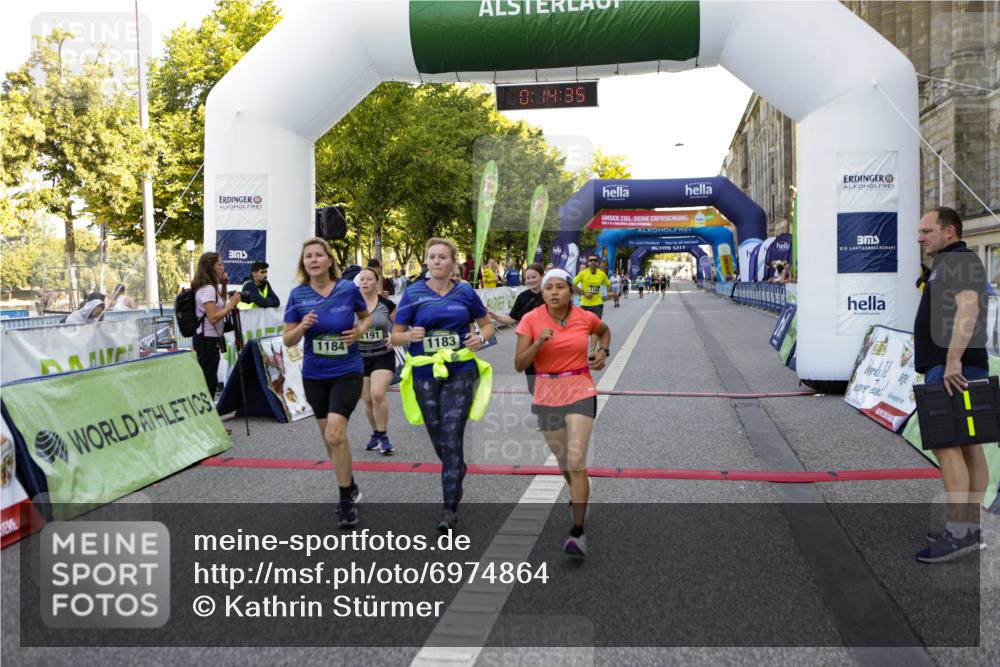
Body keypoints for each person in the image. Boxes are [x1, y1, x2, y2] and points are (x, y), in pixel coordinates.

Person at [392, 238, 494, 532]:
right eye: (431, 257)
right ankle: (456, 467)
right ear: (426, 262)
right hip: (425, 371)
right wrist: (410, 336)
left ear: (453, 263)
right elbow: (395, 336)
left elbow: (486, 325)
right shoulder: (413, 293)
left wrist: (481, 338)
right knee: (438, 435)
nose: (436, 262)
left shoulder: (465, 291)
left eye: (442, 257)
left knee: (451, 433)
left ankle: (449, 508)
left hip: (460, 368)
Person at [515, 268, 610, 557]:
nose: (554, 292)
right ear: (542, 293)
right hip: (546, 391)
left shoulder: (584, 317)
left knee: (577, 459)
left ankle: (577, 531)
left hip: (580, 388)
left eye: (560, 287)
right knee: (564, 461)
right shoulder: (531, 320)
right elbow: (519, 364)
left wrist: (603, 352)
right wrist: (538, 343)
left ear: (571, 290)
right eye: (548, 288)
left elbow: (604, 332)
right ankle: (577, 490)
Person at [914, 206, 990, 563]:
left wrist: (952, 360)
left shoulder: (956, 262)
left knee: (948, 447)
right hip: (962, 366)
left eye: (927, 231)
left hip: (952, 368)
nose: (920, 237)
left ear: (950, 232)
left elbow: (969, 308)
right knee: (969, 446)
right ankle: (970, 527)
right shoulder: (956, 262)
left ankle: (959, 532)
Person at [283, 238, 372, 528]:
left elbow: (366, 318)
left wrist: (358, 332)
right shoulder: (297, 295)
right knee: (330, 440)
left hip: (347, 370)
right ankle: (350, 483)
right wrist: (302, 327)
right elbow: (287, 339)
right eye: (308, 256)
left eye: (319, 255)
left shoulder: (347, 289)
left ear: (329, 260)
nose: (313, 260)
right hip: (315, 375)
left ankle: (345, 500)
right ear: (303, 263)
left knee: (335, 434)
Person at [356, 267, 397, 456]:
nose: (364, 282)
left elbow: (401, 324)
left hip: (383, 354)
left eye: (368, 279)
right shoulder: (350, 304)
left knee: (377, 394)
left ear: (376, 282)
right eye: (361, 279)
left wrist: (396, 335)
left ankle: (383, 436)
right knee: (366, 399)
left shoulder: (386, 304)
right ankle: (376, 433)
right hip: (359, 357)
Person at [190, 253, 242, 398]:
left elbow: (219, 304)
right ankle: (207, 413)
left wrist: (224, 286)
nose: (222, 267)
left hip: (211, 337)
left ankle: (209, 412)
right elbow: (213, 317)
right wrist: (231, 305)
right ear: (210, 268)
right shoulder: (207, 289)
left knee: (210, 376)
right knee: (208, 378)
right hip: (207, 338)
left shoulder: (212, 288)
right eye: (219, 264)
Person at [489, 263, 545, 393]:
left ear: (542, 276)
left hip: (549, 344)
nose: (530, 280)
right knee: (534, 388)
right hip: (528, 346)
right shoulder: (522, 297)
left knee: (551, 384)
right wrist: (495, 316)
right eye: (528, 278)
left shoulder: (551, 294)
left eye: (534, 277)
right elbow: (512, 318)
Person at [573, 255, 611, 357]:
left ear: (597, 262)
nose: (593, 262)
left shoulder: (601, 274)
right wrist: (584, 293)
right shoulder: (583, 273)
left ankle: (592, 351)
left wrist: (609, 291)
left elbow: (608, 284)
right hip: (585, 305)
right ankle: (580, 349)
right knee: (584, 329)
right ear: (588, 263)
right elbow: (572, 284)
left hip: (597, 304)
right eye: (591, 260)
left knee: (595, 328)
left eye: (595, 260)